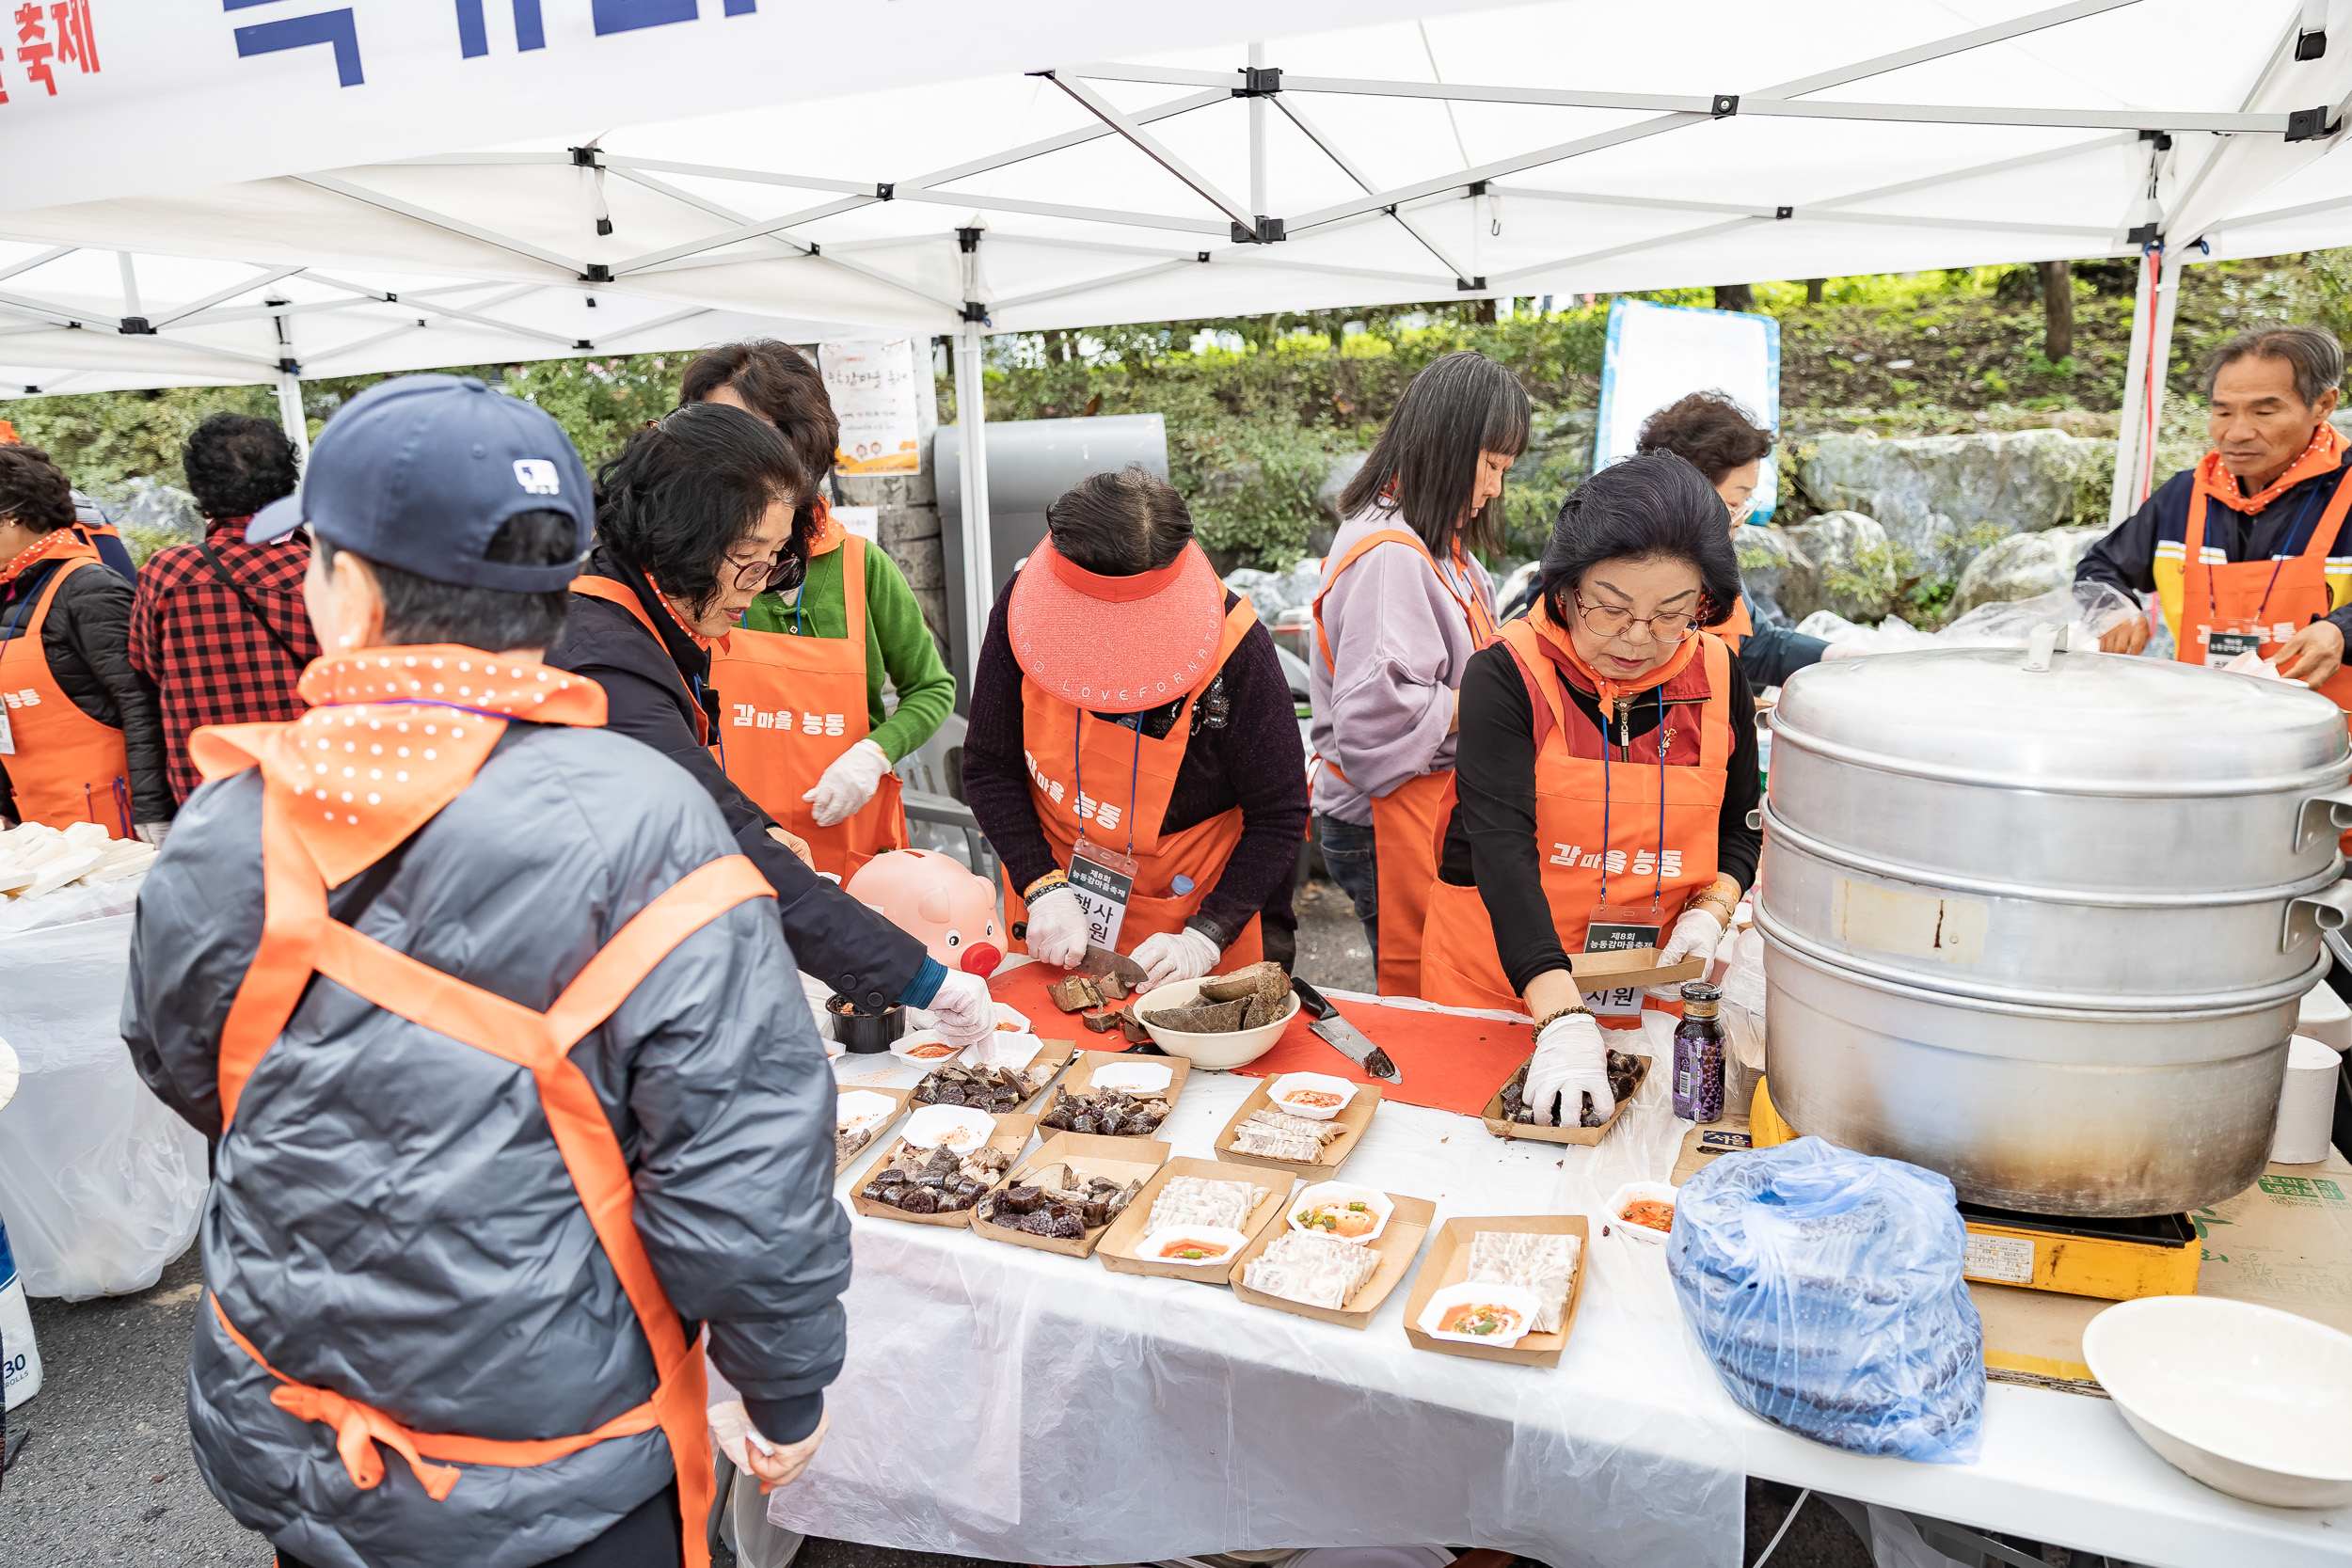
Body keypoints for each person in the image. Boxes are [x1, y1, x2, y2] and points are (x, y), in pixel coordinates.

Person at [121, 374, 841, 1568]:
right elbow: (743, 1160)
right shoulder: (644, 818)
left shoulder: (227, 817)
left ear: (339, 587)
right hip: (563, 1454)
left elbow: (183, 1065)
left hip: (303, 1422)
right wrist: (788, 1389)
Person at [546, 402, 997, 1044]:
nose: (757, 588)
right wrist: (924, 979)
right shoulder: (603, 664)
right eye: (748, 560)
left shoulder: (649, 619)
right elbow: (716, 839)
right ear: (682, 539)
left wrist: (784, 813)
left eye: (775, 563)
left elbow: (704, 791)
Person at [1421, 453, 1761, 1122]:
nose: (1639, 638)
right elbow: (1501, 852)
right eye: (1610, 609)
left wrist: (1715, 906)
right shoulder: (1505, 674)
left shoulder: (1720, 675)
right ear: (1567, 586)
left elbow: (1739, 828)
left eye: (1672, 612)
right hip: (1500, 987)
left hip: (1649, 986)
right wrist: (1563, 1018)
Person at [965, 466, 1308, 982]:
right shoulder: (1023, 612)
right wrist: (1041, 884)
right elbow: (989, 766)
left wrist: (1206, 935)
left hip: (1199, 918)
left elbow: (1280, 813)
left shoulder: (1238, 651)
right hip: (1055, 902)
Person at [680, 341, 956, 881]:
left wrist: (874, 755)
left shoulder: (862, 566)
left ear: (805, 448)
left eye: (760, 437)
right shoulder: (682, 576)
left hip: (851, 854)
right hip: (724, 851)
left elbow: (932, 688)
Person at [1310, 349, 1527, 995]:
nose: (1494, 489)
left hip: (1427, 805)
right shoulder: (1390, 557)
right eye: (1490, 467)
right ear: (1447, 445)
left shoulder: (1430, 535)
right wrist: (1497, 697)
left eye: (1504, 471)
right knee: (1421, 986)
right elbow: (1379, 722)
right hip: (1388, 814)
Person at [2079, 325, 2352, 700]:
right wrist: (2114, 609)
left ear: (2323, 404)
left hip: (2334, 739)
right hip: (2208, 722)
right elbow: (2101, 568)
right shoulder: (2185, 494)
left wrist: (2341, 629)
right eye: (2223, 412)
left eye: (2264, 412)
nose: (2237, 432)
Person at [130, 411, 323, 808]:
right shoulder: (323, 572)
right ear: (289, 481)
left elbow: (147, 667)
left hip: (207, 792)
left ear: (199, 488)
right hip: (312, 781)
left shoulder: (166, 573)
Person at [0, 443, 170, 839]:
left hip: (113, 823)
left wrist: (154, 814)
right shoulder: (10, 591)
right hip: (39, 823)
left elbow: (141, 701)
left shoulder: (89, 588)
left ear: (12, 517)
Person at [1635, 390, 1834, 688]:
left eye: (1746, 502)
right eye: (1734, 503)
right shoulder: (1617, 570)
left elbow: (1756, 646)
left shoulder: (1711, 564)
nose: (1741, 518)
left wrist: (1838, 657)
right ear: (1687, 492)